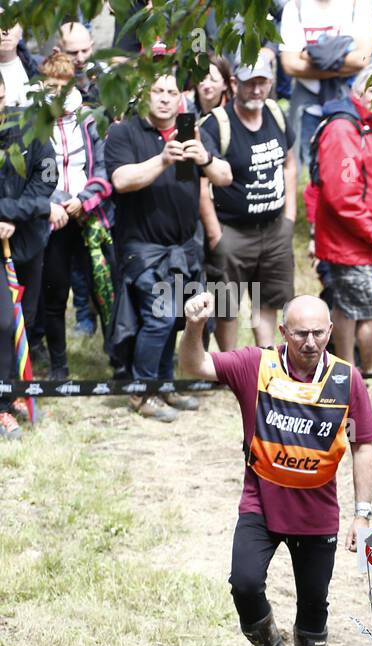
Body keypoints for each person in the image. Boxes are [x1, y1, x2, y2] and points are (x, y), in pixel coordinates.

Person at [178, 293, 372, 646]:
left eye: (318, 332)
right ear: (283, 332)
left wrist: (363, 515)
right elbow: (195, 366)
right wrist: (194, 327)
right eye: (300, 333)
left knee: (314, 600)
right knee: (245, 583)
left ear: (329, 332)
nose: (310, 341)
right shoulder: (257, 364)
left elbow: (363, 445)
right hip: (261, 502)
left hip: (318, 511)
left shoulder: (347, 379)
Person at [105, 71, 232, 422]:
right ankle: (142, 392)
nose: (164, 98)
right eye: (156, 90)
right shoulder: (124, 131)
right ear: (143, 94)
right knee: (159, 317)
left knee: (175, 317)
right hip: (143, 248)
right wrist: (162, 159)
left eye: (171, 91)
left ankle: (164, 385)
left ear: (181, 97)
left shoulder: (194, 131)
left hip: (183, 246)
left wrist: (204, 158)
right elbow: (121, 180)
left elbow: (225, 177)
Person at [199, 56, 297, 351]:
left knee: (269, 299)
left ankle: (265, 362)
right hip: (231, 230)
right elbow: (202, 184)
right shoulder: (216, 124)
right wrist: (216, 235)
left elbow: (290, 163)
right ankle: (231, 365)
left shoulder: (276, 116)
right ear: (234, 84)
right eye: (250, 83)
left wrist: (290, 215)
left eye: (262, 83)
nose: (256, 90)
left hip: (275, 227)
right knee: (226, 304)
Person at [313, 63, 372, 374]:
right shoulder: (343, 129)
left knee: (366, 308)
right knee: (359, 310)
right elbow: (343, 196)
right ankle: (356, 377)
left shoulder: (370, 127)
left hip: (370, 241)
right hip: (351, 244)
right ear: (361, 91)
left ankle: (364, 377)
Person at [36, 53, 113, 383]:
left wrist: (85, 200)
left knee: (104, 290)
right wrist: (56, 204)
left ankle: (118, 360)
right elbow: (35, 174)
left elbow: (104, 168)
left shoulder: (90, 119)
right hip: (54, 220)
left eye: (63, 85)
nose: (57, 91)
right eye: (51, 85)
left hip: (89, 216)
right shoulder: (34, 123)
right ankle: (59, 367)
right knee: (55, 293)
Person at [0, 70, 55, 439]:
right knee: (3, 323)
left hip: (28, 239)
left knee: (27, 322)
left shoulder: (32, 127)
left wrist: (10, 213)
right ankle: (2, 405)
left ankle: (17, 389)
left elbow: (46, 180)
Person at [279, 0, 372, 165]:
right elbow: (290, 65)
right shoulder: (295, 6)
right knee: (309, 166)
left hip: (348, 98)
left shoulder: (358, 4)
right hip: (307, 103)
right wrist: (343, 62)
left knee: (349, 162)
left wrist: (310, 56)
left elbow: (362, 59)